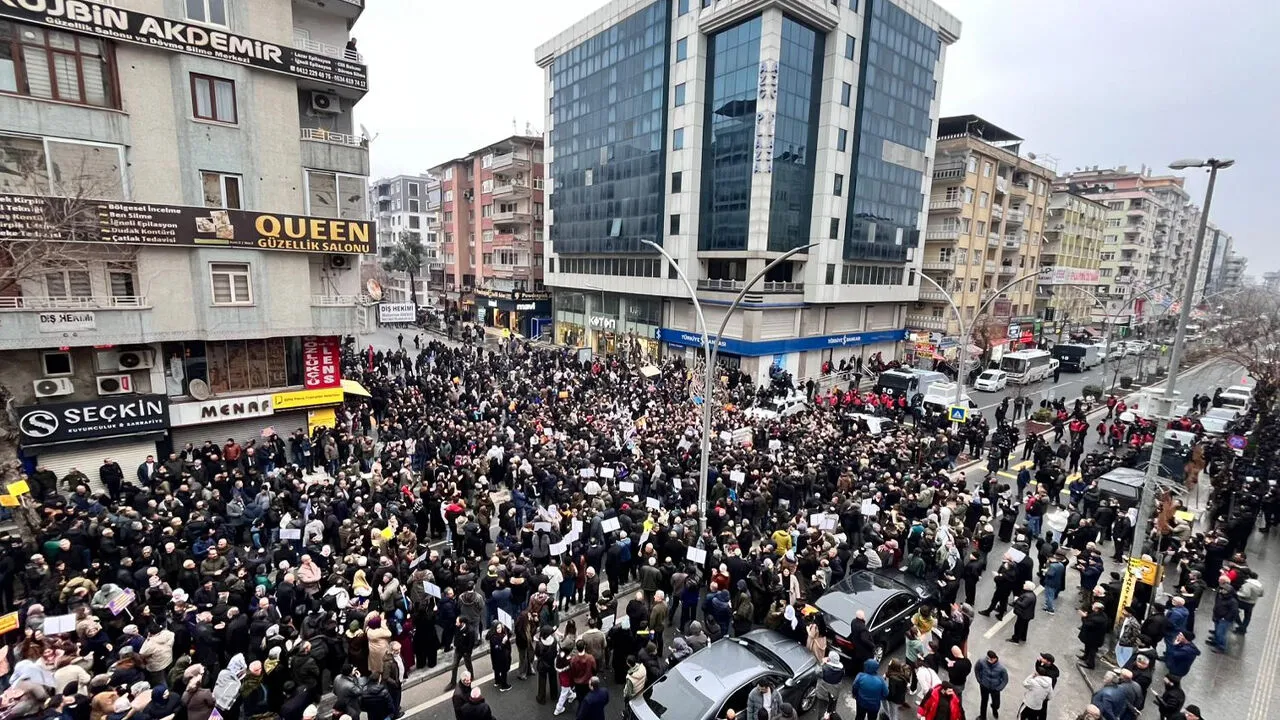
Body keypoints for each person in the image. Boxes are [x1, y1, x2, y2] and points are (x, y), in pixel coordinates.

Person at [975, 650, 1008, 720]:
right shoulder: (981, 661)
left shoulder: (1001, 668)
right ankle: (983, 717)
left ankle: (994, 708)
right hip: (984, 686)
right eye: (988, 659)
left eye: (991, 659)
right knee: (984, 701)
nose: (989, 661)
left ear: (995, 658)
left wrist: (999, 688)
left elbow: (1005, 680)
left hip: (995, 688)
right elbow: (976, 669)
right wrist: (979, 680)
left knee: (996, 704)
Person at [1077, 603, 1109, 669]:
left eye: (1093, 606)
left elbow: (1087, 624)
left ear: (1097, 608)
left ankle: (1090, 664)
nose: (1092, 606)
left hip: (1094, 638)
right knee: (1087, 646)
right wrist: (1086, 616)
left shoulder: (1098, 619)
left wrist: (1083, 617)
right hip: (1092, 636)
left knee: (1092, 650)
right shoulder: (1101, 615)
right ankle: (1085, 656)